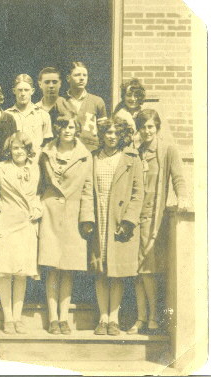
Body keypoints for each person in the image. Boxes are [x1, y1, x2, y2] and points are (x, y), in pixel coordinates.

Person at [127, 109, 188, 335]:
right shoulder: (137, 151)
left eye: (151, 127)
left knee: (148, 269)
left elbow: (179, 178)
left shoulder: (167, 150)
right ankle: (141, 317)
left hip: (154, 220)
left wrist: (182, 197)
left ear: (157, 128)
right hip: (134, 219)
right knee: (136, 270)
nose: (147, 131)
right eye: (143, 127)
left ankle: (151, 317)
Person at [38, 115, 94, 335]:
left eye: (71, 126)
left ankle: (64, 318)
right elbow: (39, 182)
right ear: (58, 129)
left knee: (68, 268)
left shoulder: (84, 156)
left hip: (73, 213)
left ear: (76, 129)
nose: (67, 130)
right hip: (50, 211)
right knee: (51, 267)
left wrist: (87, 218)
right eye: (63, 126)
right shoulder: (46, 153)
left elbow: (88, 188)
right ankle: (52, 318)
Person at [89, 117, 143, 336]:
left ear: (121, 136)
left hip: (119, 219)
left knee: (117, 270)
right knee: (100, 268)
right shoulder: (93, 157)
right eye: (107, 132)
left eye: (115, 133)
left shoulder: (131, 158)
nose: (111, 137)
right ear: (101, 135)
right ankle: (102, 317)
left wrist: (129, 220)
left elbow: (138, 193)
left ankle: (114, 318)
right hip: (99, 215)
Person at [0, 132, 42, 334]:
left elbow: (36, 195)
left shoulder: (34, 169)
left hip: (26, 224)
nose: (19, 152)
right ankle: (7, 318)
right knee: (5, 273)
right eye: (15, 148)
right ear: (10, 150)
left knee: (21, 274)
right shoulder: (0, 168)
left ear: (28, 150)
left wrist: (37, 207)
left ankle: (18, 317)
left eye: (22, 148)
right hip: (5, 224)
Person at [64, 62, 108, 151]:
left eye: (85, 75)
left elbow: (104, 131)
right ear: (68, 78)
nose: (82, 78)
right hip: (68, 150)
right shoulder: (61, 102)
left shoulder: (97, 101)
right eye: (77, 75)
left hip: (91, 150)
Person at [5, 74, 53, 152]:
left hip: (36, 161)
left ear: (32, 91)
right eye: (20, 90)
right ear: (14, 91)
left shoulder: (43, 115)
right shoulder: (6, 115)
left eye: (26, 90)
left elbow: (48, 144)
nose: (23, 94)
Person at [35, 67, 74, 140]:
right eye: (47, 82)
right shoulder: (34, 109)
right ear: (40, 84)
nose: (51, 86)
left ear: (60, 84)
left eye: (54, 82)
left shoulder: (69, 107)